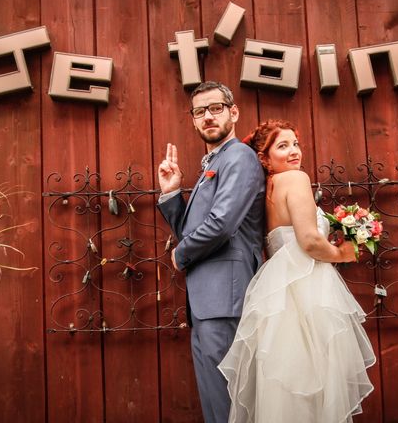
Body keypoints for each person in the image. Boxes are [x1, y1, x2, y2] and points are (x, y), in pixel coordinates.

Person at [218, 120, 376, 423]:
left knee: (286, 378)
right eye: (282, 146)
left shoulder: (266, 191)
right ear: (263, 158)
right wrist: (344, 253)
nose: (294, 152)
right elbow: (309, 241)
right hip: (306, 283)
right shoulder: (296, 178)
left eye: (295, 144)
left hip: (277, 287)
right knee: (315, 377)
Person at [157, 81, 265, 423]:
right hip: (209, 301)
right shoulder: (212, 163)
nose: (207, 116)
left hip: (227, 297)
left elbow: (221, 225)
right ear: (193, 120)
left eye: (215, 108)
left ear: (233, 112)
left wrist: (180, 254)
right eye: (199, 111)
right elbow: (194, 229)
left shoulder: (240, 157)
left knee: (230, 401)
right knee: (217, 401)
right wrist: (172, 193)